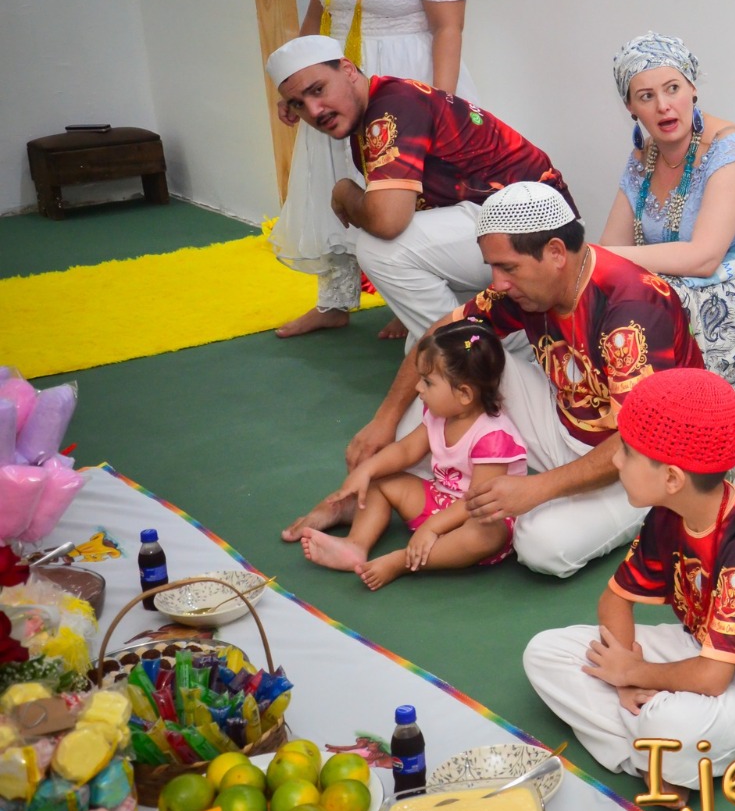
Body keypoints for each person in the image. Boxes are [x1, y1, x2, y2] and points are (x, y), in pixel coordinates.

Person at [288, 180, 707, 577]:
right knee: (451, 366)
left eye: (508, 268)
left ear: (556, 252)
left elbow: (639, 437)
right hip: (566, 422)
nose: (498, 283)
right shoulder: (527, 287)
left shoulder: (631, 309)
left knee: (542, 547)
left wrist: (537, 489)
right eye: (493, 267)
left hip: (644, 460)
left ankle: (634, 512)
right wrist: (384, 419)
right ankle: (364, 499)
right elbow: (440, 335)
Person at [523, 367, 735, 799]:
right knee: (545, 653)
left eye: (626, 452)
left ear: (671, 478)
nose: (615, 461)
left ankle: (650, 749)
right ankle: (650, 760)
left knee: (669, 725)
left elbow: (713, 679)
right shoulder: (669, 513)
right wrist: (626, 679)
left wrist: (635, 671)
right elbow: (615, 600)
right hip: (700, 647)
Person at [270, 0, 475, 340]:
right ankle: (335, 300)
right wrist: (292, 87)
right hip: (334, 82)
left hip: (407, 80)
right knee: (334, 175)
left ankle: (412, 299)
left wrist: (441, 105)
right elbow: (316, 18)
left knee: (406, 190)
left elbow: (448, 30)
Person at [265, 34, 576, 349]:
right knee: (419, 348)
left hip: (535, 231)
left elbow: (388, 220)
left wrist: (345, 192)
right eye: (298, 104)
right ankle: (500, 342)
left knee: (379, 249)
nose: (314, 110)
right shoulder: (382, 105)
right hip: (508, 225)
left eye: (318, 90)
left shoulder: (391, 109)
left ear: (347, 69)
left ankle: (483, 353)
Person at [597, 33, 735, 403]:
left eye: (673, 88)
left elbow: (705, 257)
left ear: (692, 88)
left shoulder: (731, 148)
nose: (664, 106)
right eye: (646, 96)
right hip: (686, 282)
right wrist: (596, 262)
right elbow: (610, 250)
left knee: (650, 308)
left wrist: (597, 258)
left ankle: (675, 422)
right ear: (630, 107)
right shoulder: (643, 158)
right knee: (601, 301)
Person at [296, 319, 527, 590]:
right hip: (441, 501)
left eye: (427, 382)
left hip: (477, 514)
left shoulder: (493, 437)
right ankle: (356, 545)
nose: (418, 388)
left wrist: (432, 527)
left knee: (485, 534)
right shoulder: (440, 414)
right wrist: (366, 470)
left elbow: (476, 502)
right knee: (381, 480)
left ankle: (402, 561)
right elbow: (406, 450)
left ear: (464, 394)